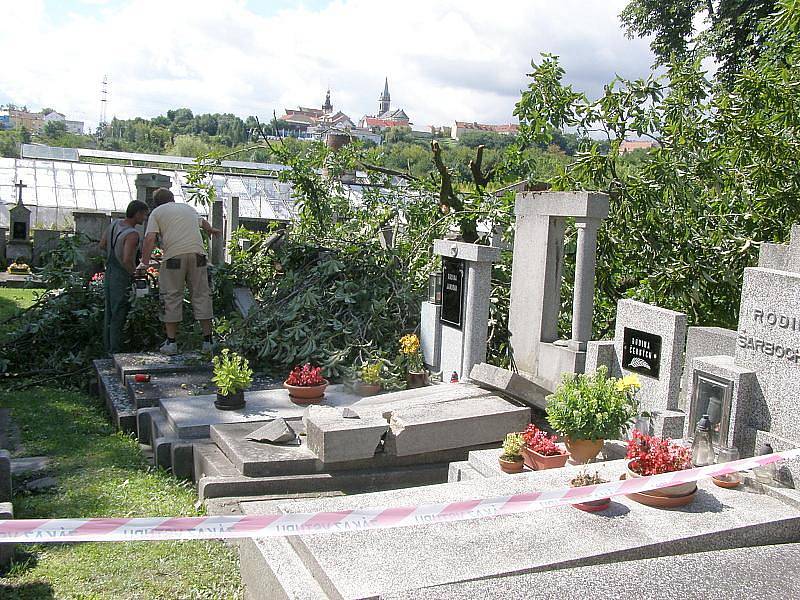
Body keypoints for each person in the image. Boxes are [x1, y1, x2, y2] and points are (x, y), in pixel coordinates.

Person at [137, 188, 220, 355]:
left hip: (174, 258)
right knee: (201, 294)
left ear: (157, 202)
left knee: (171, 295)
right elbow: (202, 222)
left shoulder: (157, 212)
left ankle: (171, 342)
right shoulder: (187, 208)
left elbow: (150, 238)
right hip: (198, 255)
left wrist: (144, 263)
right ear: (172, 198)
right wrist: (211, 230)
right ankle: (208, 341)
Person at [99, 200, 149, 354]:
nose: (145, 218)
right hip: (121, 276)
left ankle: (107, 347)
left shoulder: (114, 224)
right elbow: (127, 259)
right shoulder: (132, 234)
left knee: (109, 311)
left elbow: (102, 244)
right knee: (119, 313)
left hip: (110, 273)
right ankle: (115, 352)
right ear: (137, 213)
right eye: (144, 214)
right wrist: (135, 274)